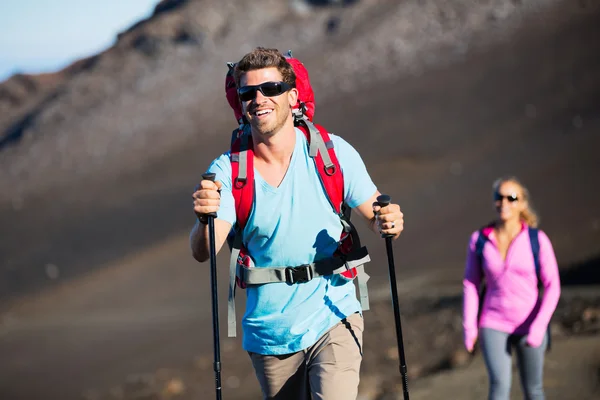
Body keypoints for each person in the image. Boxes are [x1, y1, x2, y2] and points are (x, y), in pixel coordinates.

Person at [190, 47, 404, 400]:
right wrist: (203, 220)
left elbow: (378, 217)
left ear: (293, 97)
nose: (259, 99)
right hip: (270, 334)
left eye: (270, 88)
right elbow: (205, 251)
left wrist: (389, 221)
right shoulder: (228, 171)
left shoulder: (332, 154)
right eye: (248, 92)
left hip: (333, 311)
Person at [462, 176, 561, 400]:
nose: (504, 202)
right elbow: (471, 284)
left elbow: (552, 285)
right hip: (493, 323)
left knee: (533, 390)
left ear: (522, 203)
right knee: (498, 387)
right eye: (499, 197)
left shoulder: (537, 240)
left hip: (530, 325)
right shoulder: (479, 240)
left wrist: (539, 326)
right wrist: (470, 327)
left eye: (511, 197)